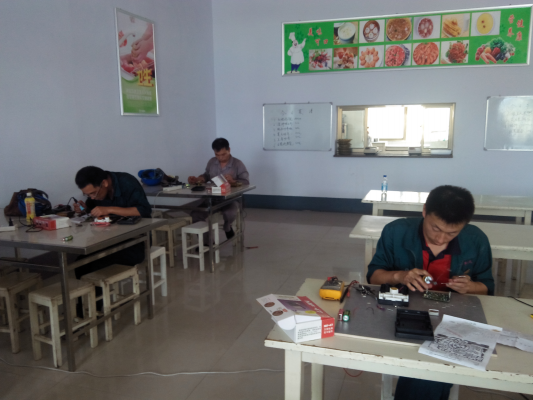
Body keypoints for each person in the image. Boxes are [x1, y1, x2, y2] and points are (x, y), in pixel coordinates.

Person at [366, 185, 494, 400]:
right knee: (430, 371)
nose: (441, 239)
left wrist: (471, 287)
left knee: (428, 371)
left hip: (453, 320)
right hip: (402, 315)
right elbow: (374, 277)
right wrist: (400, 276)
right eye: (435, 228)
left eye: (452, 233)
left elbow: (487, 287)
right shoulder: (396, 232)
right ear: (424, 211)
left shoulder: (476, 239)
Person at [73, 166, 152, 281]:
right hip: (109, 240)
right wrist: (84, 209)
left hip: (135, 241)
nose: (92, 197)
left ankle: (102, 293)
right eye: (88, 195)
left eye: (93, 193)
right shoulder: (96, 193)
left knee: (95, 266)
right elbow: (93, 210)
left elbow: (144, 210)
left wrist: (109, 209)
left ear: (104, 183)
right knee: (80, 264)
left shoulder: (127, 182)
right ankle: (93, 293)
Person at [188, 138, 249, 239]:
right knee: (196, 214)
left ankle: (227, 227)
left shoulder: (238, 164)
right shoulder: (212, 162)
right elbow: (207, 175)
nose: (220, 157)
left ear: (229, 150)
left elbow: (246, 182)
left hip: (231, 198)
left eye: (223, 154)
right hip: (213, 198)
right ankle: (207, 242)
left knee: (229, 212)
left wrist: (233, 181)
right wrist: (199, 179)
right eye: (217, 155)